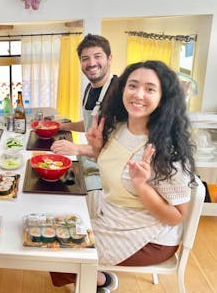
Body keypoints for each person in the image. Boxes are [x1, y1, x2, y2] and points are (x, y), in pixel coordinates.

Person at [50, 60, 196, 292]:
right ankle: (93, 274)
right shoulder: (119, 127)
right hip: (113, 210)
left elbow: (176, 216)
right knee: (52, 217)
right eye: (133, 86)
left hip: (149, 236)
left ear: (163, 98)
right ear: (122, 90)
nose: (138, 94)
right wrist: (98, 149)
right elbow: (114, 170)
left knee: (57, 248)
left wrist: (142, 186)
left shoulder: (169, 150)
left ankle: (98, 281)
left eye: (150, 89)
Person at [51, 34, 118, 191]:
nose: (91, 63)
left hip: (106, 178)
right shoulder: (90, 88)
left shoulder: (118, 92)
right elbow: (90, 124)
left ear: (109, 59)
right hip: (90, 162)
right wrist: (63, 127)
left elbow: (118, 149)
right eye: (85, 58)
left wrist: (77, 148)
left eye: (97, 56)